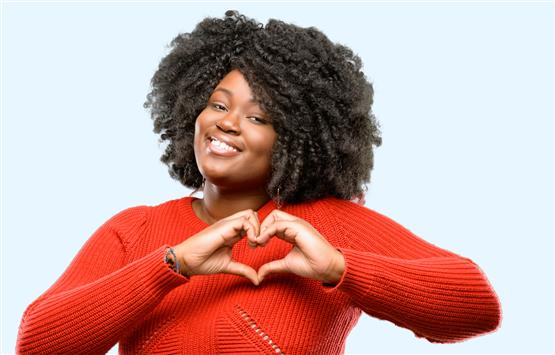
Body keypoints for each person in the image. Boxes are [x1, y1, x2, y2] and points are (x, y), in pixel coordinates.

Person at [16, 10, 501, 354]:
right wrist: (172, 265)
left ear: (297, 139)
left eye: (258, 117)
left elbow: (477, 306)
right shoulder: (135, 230)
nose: (227, 123)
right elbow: (36, 344)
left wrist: (339, 267)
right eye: (219, 104)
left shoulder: (330, 225)